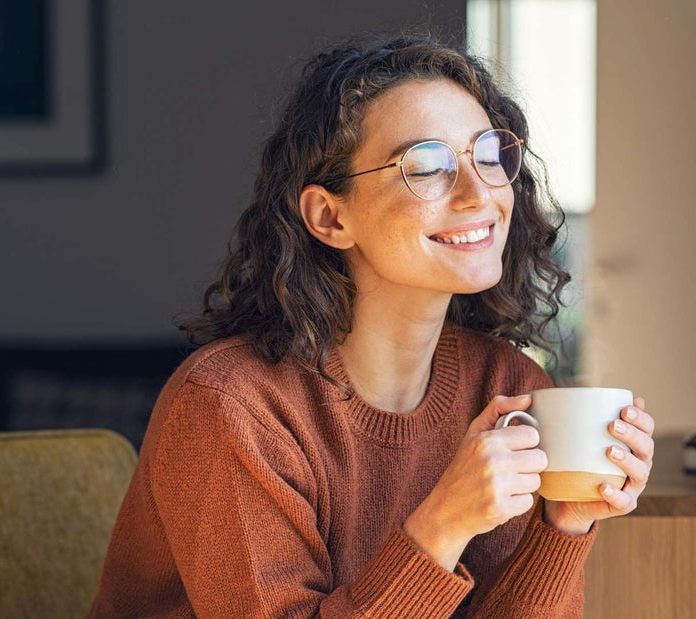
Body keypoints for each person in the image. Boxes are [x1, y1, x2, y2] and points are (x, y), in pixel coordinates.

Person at [88, 34, 656, 618]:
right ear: (330, 217)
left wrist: (564, 526)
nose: (477, 193)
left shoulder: (508, 387)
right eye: (427, 166)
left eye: (488, 154)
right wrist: (441, 525)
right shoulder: (233, 407)